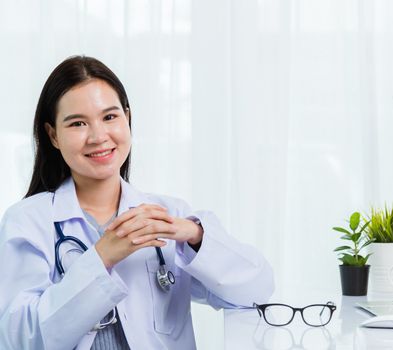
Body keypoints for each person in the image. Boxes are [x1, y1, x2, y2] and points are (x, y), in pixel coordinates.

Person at [0, 56, 274, 350]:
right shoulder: (28, 221)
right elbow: (21, 339)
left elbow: (256, 291)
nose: (98, 136)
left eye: (109, 117)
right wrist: (101, 258)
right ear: (53, 135)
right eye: (78, 123)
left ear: (127, 118)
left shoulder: (169, 217)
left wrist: (195, 236)